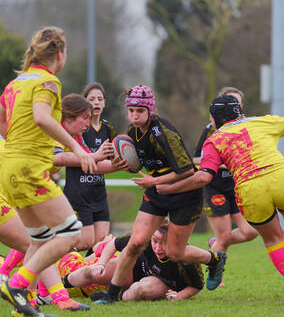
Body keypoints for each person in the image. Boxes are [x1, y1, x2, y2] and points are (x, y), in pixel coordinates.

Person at [156, 94, 284, 300]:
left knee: (273, 239)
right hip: (282, 178)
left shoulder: (213, 140)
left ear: (214, 119)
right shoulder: (261, 121)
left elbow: (203, 177)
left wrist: (171, 188)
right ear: (239, 113)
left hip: (250, 190)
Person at [96, 84, 226, 304]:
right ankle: (111, 295)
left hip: (185, 194)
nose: (134, 116)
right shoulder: (132, 133)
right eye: (131, 111)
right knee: (135, 243)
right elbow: (138, 165)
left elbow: (185, 170)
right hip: (157, 192)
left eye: (140, 111)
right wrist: (122, 163)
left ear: (150, 111)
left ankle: (214, 259)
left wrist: (154, 180)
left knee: (175, 252)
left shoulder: (163, 133)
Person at [0, 26, 97, 316]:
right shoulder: (48, 82)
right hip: (30, 168)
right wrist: (77, 149)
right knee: (70, 233)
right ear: (60, 53)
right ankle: (15, 284)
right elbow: (42, 118)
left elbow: (4, 123)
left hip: (9, 167)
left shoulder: (14, 84)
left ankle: (22, 306)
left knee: (39, 238)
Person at [193, 87, 258, 284]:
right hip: (215, 188)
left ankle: (216, 246)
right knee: (224, 235)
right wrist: (222, 162)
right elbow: (196, 159)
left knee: (250, 231)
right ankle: (212, 272)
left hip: (238, 188)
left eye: (237, 104)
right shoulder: (210, 129)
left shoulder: (247, 128)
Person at [59, 220, 204, 302]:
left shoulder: (186, 257)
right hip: (135, 269)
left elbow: (197, 285)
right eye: (155, 241)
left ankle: (117, 297)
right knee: (93, 271)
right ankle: (53, 288)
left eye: (164, 243)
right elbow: (114, 244)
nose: (158, 248)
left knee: (141, 288)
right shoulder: (144, 238)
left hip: (161, 283)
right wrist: (101, 264)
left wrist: (179, 296)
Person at [53, 92, 127, 252]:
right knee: (43, 239)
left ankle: (81, 273)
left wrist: (120, 164)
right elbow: (58, 158)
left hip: (96, 195)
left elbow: (92, 163)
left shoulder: (78, 138)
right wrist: (94, 156)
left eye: (100, 98)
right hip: (30, 181)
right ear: (69, 118)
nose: (88, 123)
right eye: (85, 117)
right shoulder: (56, 130)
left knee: (99, 240)